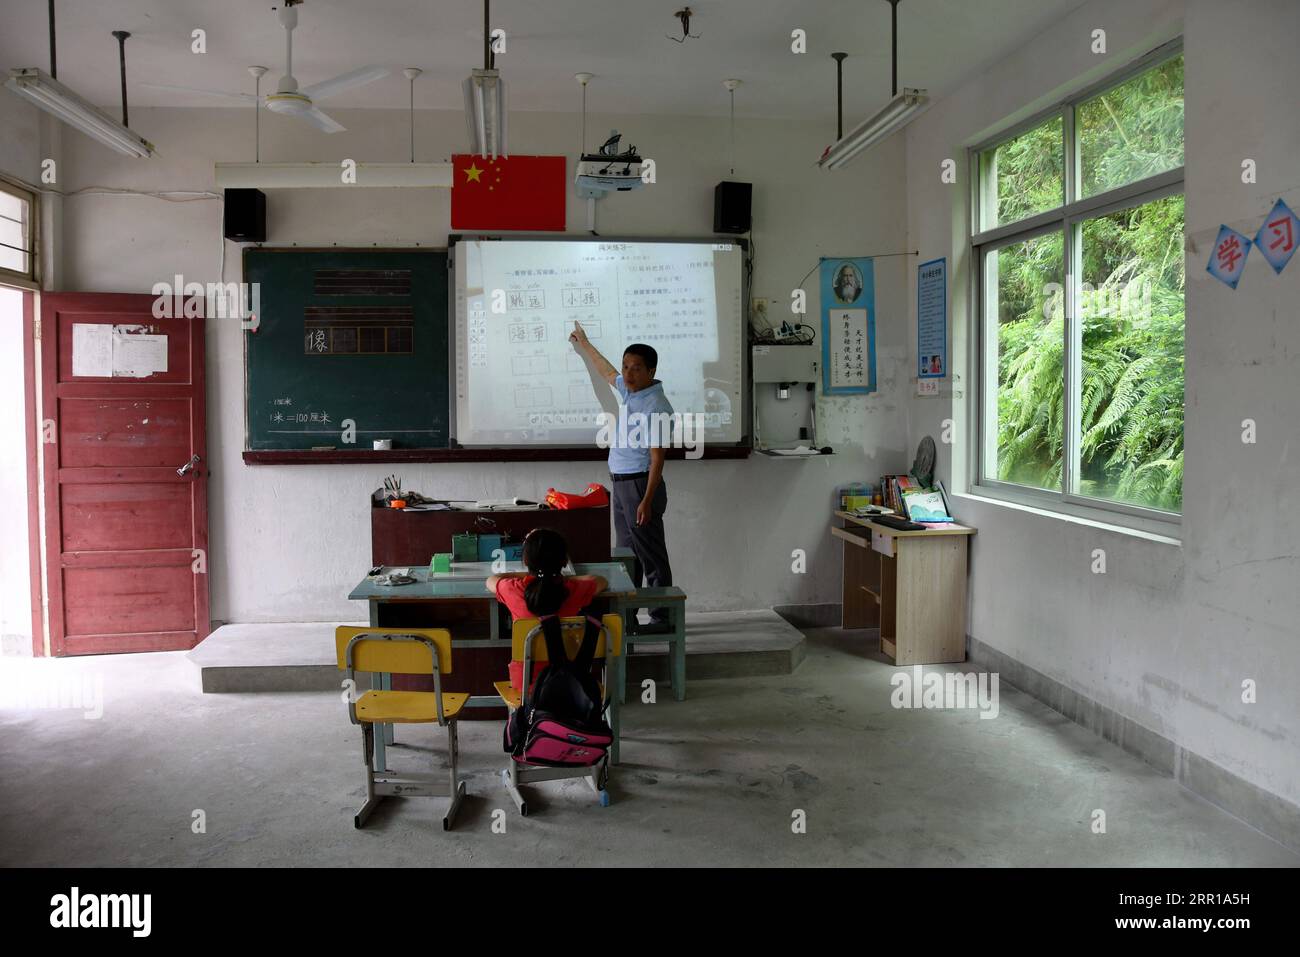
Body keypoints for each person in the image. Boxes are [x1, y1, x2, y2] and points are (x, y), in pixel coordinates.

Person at [568, 323, 675, 627]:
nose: (627, 374)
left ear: (651, 372)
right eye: (626, 366)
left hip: (641, 486)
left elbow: (657, 458)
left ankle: (662, 618)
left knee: (650, 555)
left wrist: (646, 501)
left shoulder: (656, 406)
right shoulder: (633, 394)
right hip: (621, 484)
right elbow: (606, 371)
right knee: (626, 557)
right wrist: (585, 344)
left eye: (636, 368)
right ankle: (627, 618)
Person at [487, 527, 607, 691]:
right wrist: (560, 577)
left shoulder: (514, 589)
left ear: (526, 561)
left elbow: (492, 580)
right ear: (564, 561)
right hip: (568, 682)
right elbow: (600, 580)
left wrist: (529, 575)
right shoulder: (573, 589)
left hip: (525, 684)